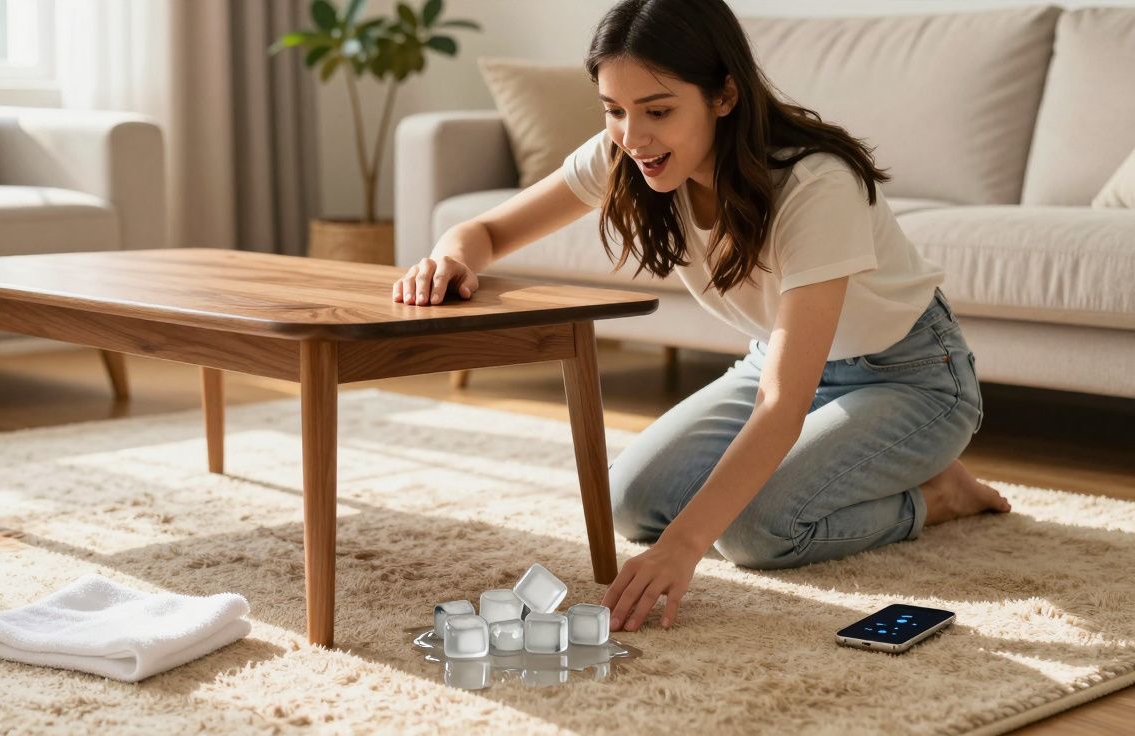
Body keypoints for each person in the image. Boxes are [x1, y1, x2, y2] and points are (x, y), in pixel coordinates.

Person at [391, 0, 1010, 635]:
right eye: (614, 110)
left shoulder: (815, 184)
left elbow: (782, 403)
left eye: (658, 111)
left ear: (723, 96)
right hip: (780, 360)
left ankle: (939, 496)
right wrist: (448, 260)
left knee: (756, 533)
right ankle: (862, 465)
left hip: (907, 376)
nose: (632, 137)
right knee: (630, 503)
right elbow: (487, 231)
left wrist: (683, 547)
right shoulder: (626, 150)